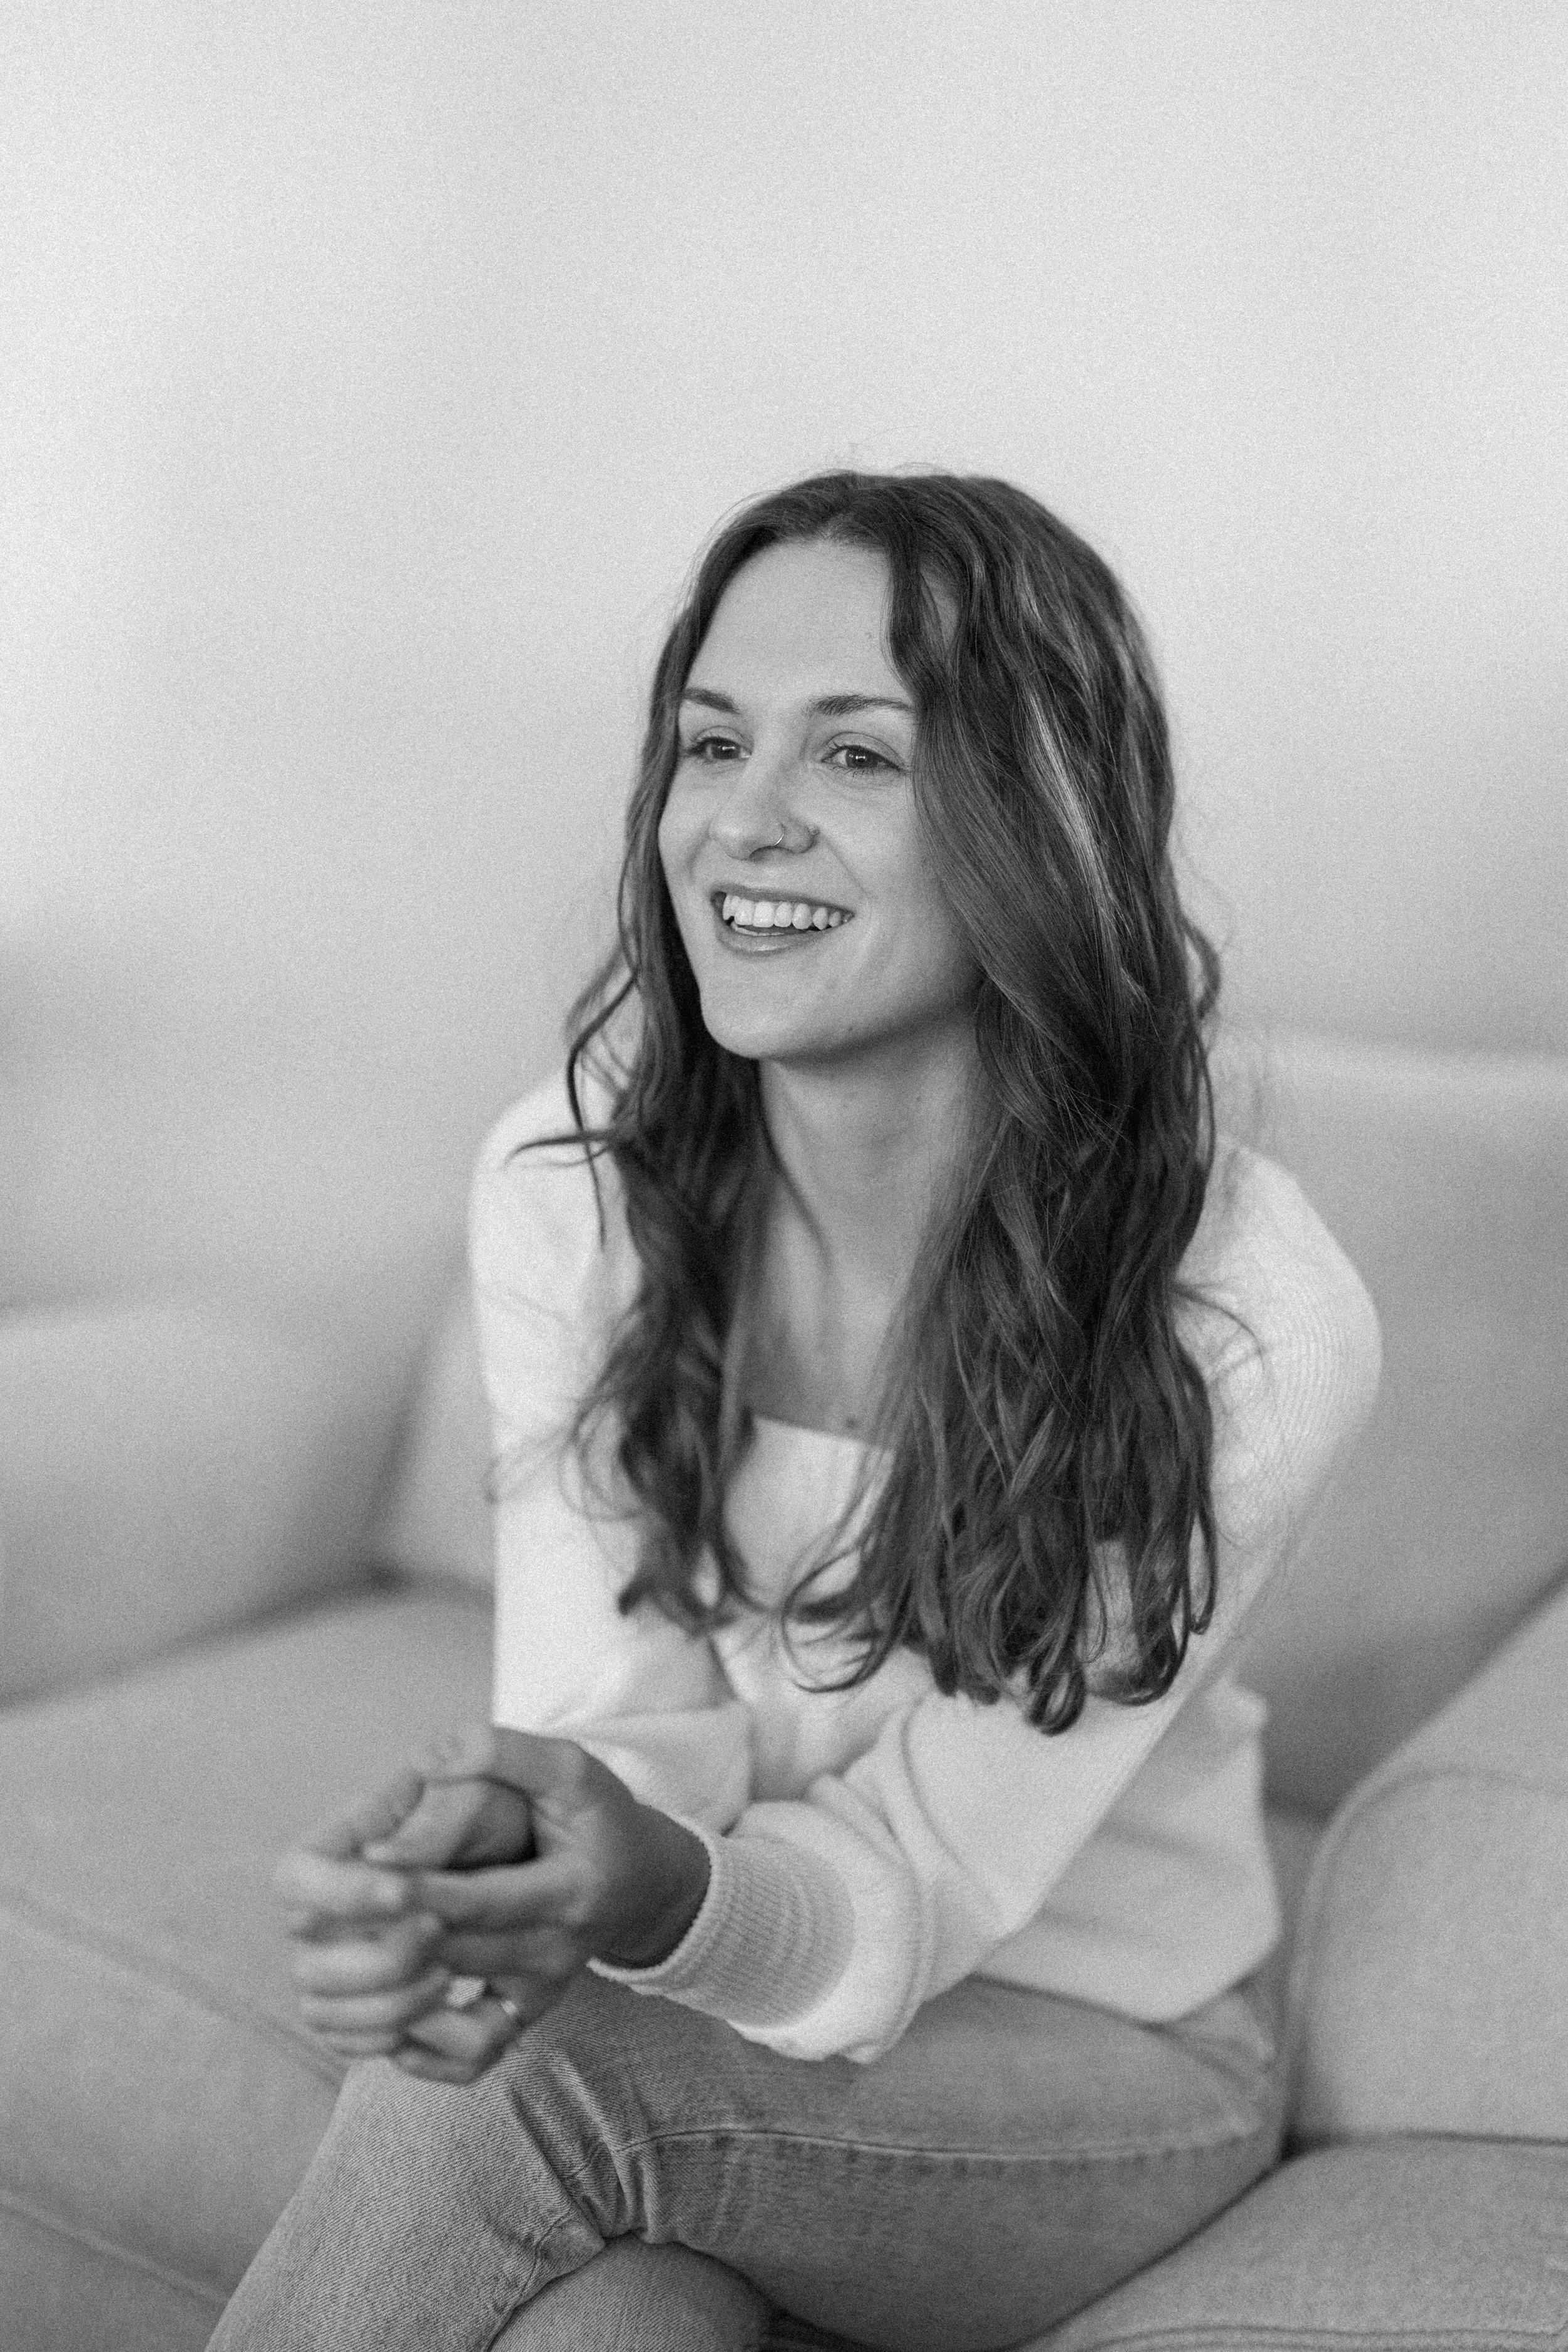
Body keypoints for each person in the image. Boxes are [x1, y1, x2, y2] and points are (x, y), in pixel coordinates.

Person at [211, 471, 1380, 2351]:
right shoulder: (568, 1182)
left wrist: (640, 1895)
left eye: (856, 752)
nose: (742, 817)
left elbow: (913, 1882)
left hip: (1096, 2048)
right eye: (709, 739)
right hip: (728, 2034)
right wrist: (504, 1872)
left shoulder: (1234, 1309)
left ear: (1041, 821)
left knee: (525, 2087)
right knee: (620, 2330)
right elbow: (617, 1725)